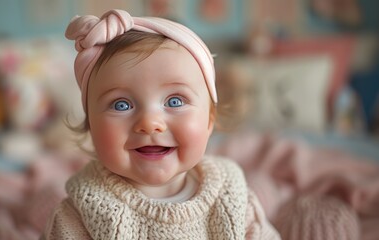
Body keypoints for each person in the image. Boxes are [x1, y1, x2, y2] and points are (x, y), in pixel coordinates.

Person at [42, 9, 280, 239]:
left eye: (175, 101)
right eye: (121, 105)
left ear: (209, 120)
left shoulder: (233, 196)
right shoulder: (78, 214)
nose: (150, 123)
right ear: (91, 126)